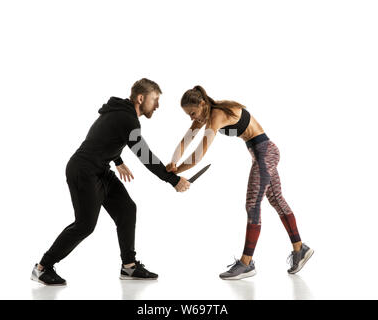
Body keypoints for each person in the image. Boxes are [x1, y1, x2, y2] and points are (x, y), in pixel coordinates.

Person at [31, 78, 191, 286]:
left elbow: (105, 136)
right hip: (83, 171)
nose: (157, 106)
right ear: (141, 98)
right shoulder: (128, 118)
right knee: (85, 225)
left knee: (126, 209)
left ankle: (129, 266)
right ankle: (42, 268)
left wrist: (118, 160)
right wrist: (173, 179)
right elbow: (145, 156)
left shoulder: (118, 112)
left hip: (100, 170)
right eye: (155, 99)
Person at [166, 85, 313, 280]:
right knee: (276, 199)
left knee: (252, 204)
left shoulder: (216, 115)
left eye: (192, 113)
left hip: (265, 153)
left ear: (202, 104)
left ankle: (246, 263)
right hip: (262, 153)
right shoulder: (205, 115)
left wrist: (178, 171)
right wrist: (173, 162)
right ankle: (300, 248)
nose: (192, 118)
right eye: (188, 115)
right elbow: (186, 140)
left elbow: (199, 153)